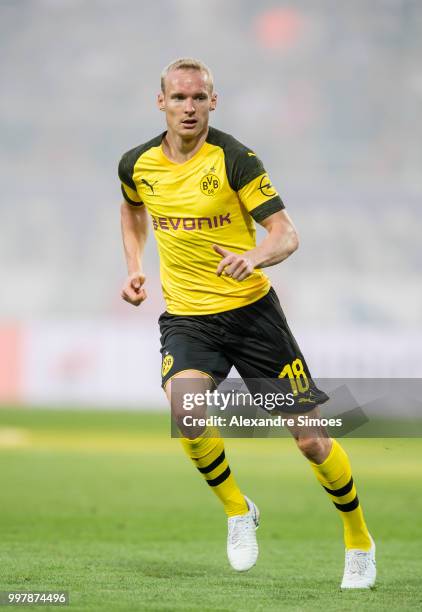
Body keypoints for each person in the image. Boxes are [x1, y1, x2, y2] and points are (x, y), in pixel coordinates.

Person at [118, 57, 376, 589]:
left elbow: (286, 233)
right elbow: (131, 208)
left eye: (199, 98)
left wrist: (253, 258)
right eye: (178, 98)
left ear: (214, 101)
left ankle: (358, 540)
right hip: (189, 318)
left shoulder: (235, 160)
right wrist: (135, 268)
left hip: (253, 317)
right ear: (160, 101)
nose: (188, 107)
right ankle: (239, 510)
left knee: (310, 440)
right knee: (186, 413)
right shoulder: (136, 164)